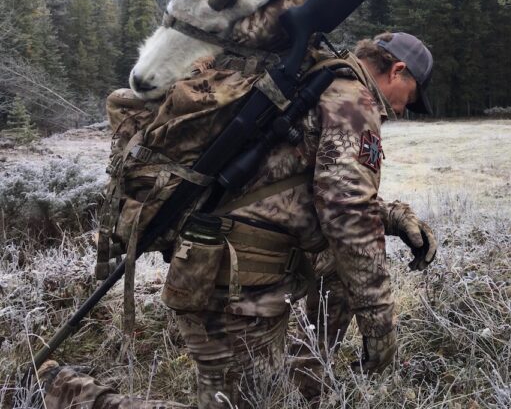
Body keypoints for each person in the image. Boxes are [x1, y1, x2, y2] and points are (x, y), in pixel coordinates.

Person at [38, 32, 438, 409]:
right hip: (231, 285)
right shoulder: (351, 99)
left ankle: (306, 382)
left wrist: (394, 217)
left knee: (332, 270)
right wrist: (380, 326)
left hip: (229, 269)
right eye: (409, 97)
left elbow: (295, 187)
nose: (402, 110)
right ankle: (58, 391)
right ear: (397, 71)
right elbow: (347, 215)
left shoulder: (315, 80)